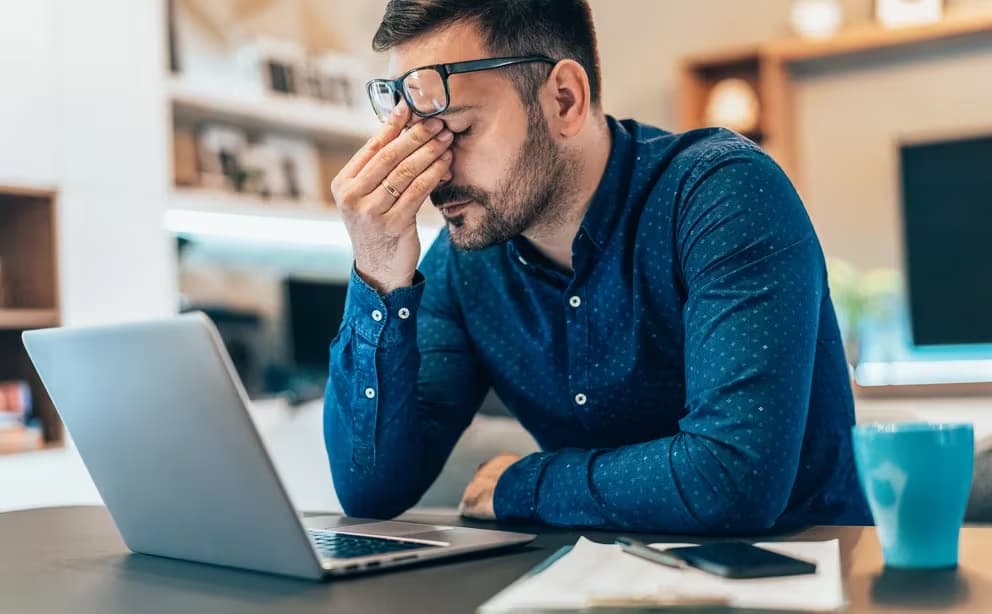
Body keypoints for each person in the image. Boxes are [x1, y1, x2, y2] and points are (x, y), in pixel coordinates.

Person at [324, 0, 870, 533]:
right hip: (595, 584)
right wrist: (378, 273)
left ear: (564, 99)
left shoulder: (723, 195)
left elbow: (730, 480)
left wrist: (526, 484)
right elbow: (372, 491)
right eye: (418, 138)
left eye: (459, 131)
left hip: (804, 577)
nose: (436, 173)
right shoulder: (467, 265)